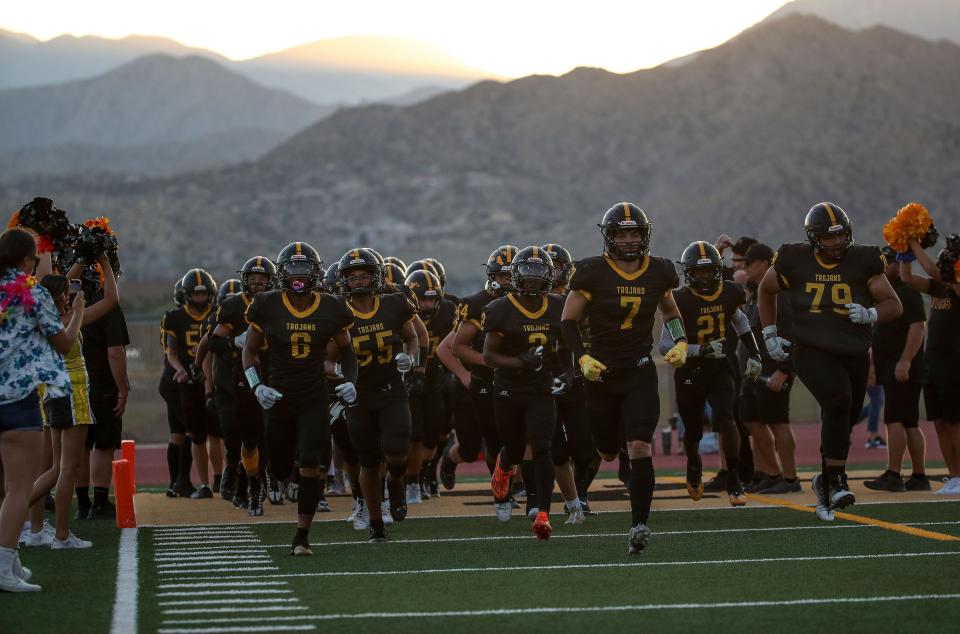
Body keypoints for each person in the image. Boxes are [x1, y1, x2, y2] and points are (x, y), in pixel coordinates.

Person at [758, 203, 901, 521]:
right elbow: (765, 290)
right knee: (838, 400)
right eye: (829, 237)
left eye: (841, 235)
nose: (837, 242)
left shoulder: (863, 261)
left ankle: (825, 479)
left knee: (844, 416)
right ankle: (838, 480)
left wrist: (872, 313)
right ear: (814, 238)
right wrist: (769, 333)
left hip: (853, 350)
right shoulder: (794, 259)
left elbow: (894, 304)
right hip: (809, 347)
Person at [561, 203, 687, 555]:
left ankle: (640, 525)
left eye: (634, 233)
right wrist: (582, 356)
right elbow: (567, 321)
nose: (629, 240)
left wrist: (680, 340)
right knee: (605, 450)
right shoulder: (591, 272)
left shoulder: (658, 271)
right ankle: (605, 455)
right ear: (609, 236)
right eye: (622, 233)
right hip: (601, 372)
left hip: (639, 370)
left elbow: (671, 310)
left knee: (639, 447)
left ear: (644, 236)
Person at [243, 242, 357, 555]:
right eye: (292, 268)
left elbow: (347, 351)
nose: (297, 275)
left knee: (311, 462)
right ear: (281, 273)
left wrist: (351, 382)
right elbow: (249, 351)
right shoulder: (267, 304)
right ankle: (277, 476)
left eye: (303, 268)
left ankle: (302, 536)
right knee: (279, 467)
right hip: (278, 396)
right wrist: (256, 386)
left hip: (313, 397)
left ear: (316, 273)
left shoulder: (331, 306)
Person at [0, 227, 84, 591]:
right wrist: (77, 313)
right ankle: (2, 566)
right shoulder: (32, 293)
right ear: (24, 260)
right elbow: (64, 344)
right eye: (33, 258)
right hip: (18, 399)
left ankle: (11, 562)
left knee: (3, 491)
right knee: (19, 489)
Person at [23, 255, 117, 550]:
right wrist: (104, 262)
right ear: (55, 299)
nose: (69, 298)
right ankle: (61, 534)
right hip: (72, 393)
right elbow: (111, 299)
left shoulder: (40, 318)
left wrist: (84, 259)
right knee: (66, 470)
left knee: (50, 469)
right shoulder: (65, 320)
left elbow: (57, 285)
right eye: (64, 295)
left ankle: (24, 521)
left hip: (51, 396)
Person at [662, 241, 761, 506]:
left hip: (721, 368)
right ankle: (694, 463)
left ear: (718, 270)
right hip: (690, 370)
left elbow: (739, 320)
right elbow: (664, 345)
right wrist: (700, 349)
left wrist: (754, 352)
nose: (705, 277)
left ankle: (733, 477)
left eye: (709, 271)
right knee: (692, 432)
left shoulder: (729, 292)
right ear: (689, 273)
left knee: (727, 419)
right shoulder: (679, 300)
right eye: (699, 271)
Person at [484, 247, 567, 539]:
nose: (532, 280)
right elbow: (490, 356)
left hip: (540, 388)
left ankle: (543, 513)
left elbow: (569, 344)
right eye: (527, 274)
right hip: (508, 388)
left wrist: (567, 373)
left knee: (542, 446)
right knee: (516, 448)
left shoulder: (558, 305)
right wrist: (520, 362)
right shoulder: (500, 309)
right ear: (516, 276)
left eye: (538, 273)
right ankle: (504, 468)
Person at [339, 248, 420, 542]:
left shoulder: (395, 304)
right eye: (352, 276)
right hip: (358, 393)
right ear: (344, 281)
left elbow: (412, 339)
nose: (358, 281)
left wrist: (410, 358)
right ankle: (376, 523)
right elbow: (325, 356)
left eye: (364, 275)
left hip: (391, 388)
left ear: (376, 278)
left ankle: (397, 483)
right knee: (369, 461)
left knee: (398, 449)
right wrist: (339, 374)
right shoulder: (337, 310)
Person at [438, 246, 517, 497]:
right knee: (471, 449)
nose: (508, 280)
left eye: (512, 274)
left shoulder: (526, 302)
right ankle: (450, 460)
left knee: (514, 438)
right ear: (492, 276)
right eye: (503, 275)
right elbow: (446, 348)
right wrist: (465, 375)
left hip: (511, 382)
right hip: (476, 382)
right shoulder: (478, 304)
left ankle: (511, 488)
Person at [207, 256, 277, 515]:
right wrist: (234, 341)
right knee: (249, 437)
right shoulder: (233, 306)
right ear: (244, 281)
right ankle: (252, 485)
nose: (257, 285)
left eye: (262, 281)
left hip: (276, 372)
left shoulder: (279, 303)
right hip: (246, 374)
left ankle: (268, 477)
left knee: (271, 434)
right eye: (253, 280)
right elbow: (214, 343)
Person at [900, 235, 960, 495]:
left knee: (955, 422)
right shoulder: (940, 287)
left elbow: (937, 272)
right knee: (939, 422)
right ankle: (954, 476)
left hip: (955, 363)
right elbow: (908, 279)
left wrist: (913, 242)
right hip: (933, 361)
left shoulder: (956, 286)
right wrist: (904, 254)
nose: (944, 258)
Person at [864, 248, 928, 492]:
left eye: (889, 262)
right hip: (891, 365)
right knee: (909, 421)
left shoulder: (906, 290)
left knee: (895, 420)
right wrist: (872, 364)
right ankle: (919, 476)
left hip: (901, 368)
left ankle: (893, 474)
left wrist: (905, 361)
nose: (885, 268)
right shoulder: (886, 293)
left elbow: (918, 327)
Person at [738, 243, 800, 494]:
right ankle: (771, 474)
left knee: (777, 422)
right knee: (751, 421)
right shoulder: (756, 293)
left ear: (764, 263)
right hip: (754, 371)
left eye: (749, 264)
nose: (745, 269)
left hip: (773, 369)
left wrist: (785, 369)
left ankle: (790, 478)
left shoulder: (780, 293)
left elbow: (792, 332)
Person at [77, 253, 130, 520]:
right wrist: (123, 387)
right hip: (101, 384)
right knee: (103, 443)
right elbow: (115, 353)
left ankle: (81, 502)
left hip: (74, 385)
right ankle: (99, 502)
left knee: (80, 445)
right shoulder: (108, 307)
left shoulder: (69, 305)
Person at [165, 269, 220, 499]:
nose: (200, 299)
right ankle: (197, 483)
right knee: (195, 434)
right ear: (187, 295)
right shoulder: (175, 317)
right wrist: (180, 370)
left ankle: (220, 478)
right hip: (188, 382)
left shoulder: (218, 313)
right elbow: (171, 351)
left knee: (218, 433)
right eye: (196, 295)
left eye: (203, 294)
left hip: (215, 381)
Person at [403, 268, 457, 503]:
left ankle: (425, 474)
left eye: (431, 298)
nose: (427, 304)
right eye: (422, 299)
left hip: (436, 378)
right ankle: (412, 481)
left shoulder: (448, 311)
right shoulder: (401, 312)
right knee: (414, 435)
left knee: (434, 436)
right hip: (410, 381)